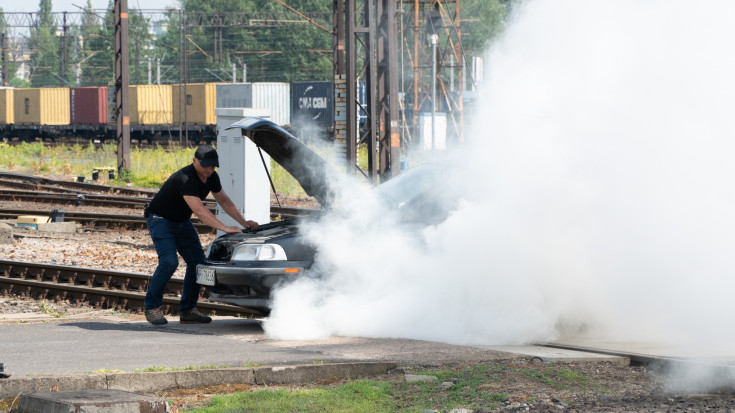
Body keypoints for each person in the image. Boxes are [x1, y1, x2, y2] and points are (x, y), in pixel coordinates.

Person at [143, 145, 258, 325]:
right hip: (160, 220)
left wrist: (244, 223)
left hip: (181, 221)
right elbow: (199, 210)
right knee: (169, 262)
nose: (209, 169)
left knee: (198, 263)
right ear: (194, 161)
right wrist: (225, 228)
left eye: (213, 166)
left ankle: (188, 311)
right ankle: (152, 307)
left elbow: (224, 201)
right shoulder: (185, 177)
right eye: (206, 165)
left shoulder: (212, 177)